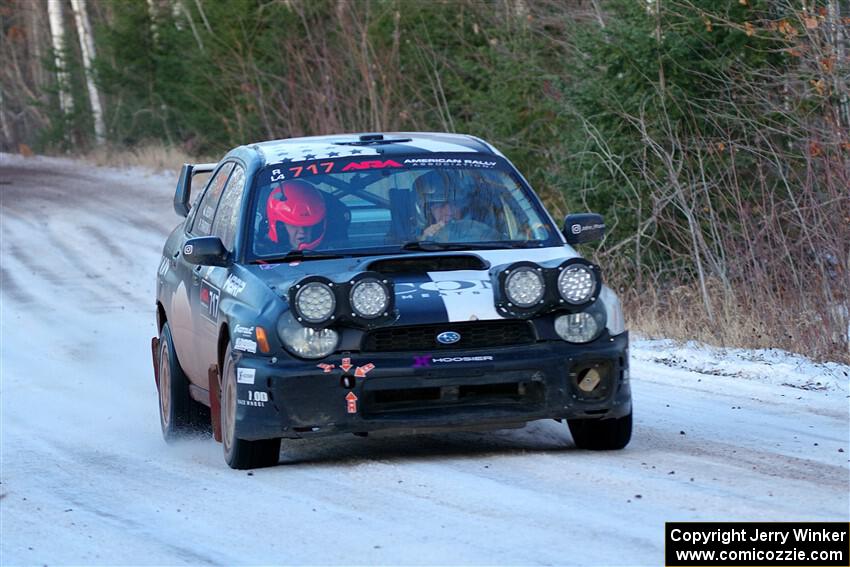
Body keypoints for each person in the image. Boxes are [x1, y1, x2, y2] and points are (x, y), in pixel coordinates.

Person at [414, 170, 499, 242]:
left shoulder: (478, 230)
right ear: (423, 210)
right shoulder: (407, 239)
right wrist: (424, 241)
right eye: (439, 205)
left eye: (455, 204)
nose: (449, 212)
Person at [265, 180, 326, 250]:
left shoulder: (336, 250)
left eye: (307, 225)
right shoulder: (260, 255)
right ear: (280, 228)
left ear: (316, 227)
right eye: (293, 225)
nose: (302, 231)